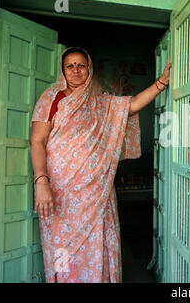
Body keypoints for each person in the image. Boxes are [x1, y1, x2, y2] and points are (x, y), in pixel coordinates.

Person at [29, 47, 172, 283]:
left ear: (89, 69)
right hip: (61, 192)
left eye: (80, 65)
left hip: (98, 192)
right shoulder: (52, 100)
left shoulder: (101, 103)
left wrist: (161, 83)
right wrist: (41, 181)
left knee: (99, 244)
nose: (75, 70)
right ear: (62, 71)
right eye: (69, 66)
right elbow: (37, 141)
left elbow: (132, 104)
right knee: (64, 248)